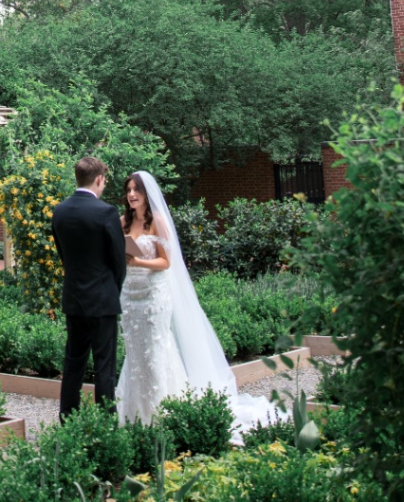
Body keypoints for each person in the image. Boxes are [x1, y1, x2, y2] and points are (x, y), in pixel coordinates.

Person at [115, 170, 284, 439]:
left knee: (155, 348)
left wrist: (138, 262)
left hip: (153, 296)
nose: (131, 194)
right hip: (129, 295)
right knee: (135, 352)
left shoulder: (158, 221)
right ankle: (133, 415)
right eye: (128, 190)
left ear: (147, 194)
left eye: (136, 190)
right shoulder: (123, 221)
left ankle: (160, 413)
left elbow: (166, 262)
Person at [49, 155, 127, 418]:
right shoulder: (106, 212)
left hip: (74, 298)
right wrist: (113, 289)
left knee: (73, 363)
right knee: (104, 366)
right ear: (99, 179)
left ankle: (67, 419)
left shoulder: (59, 211)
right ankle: (105, 423)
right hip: (103, 300)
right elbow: (118, 261)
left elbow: (63, 255)